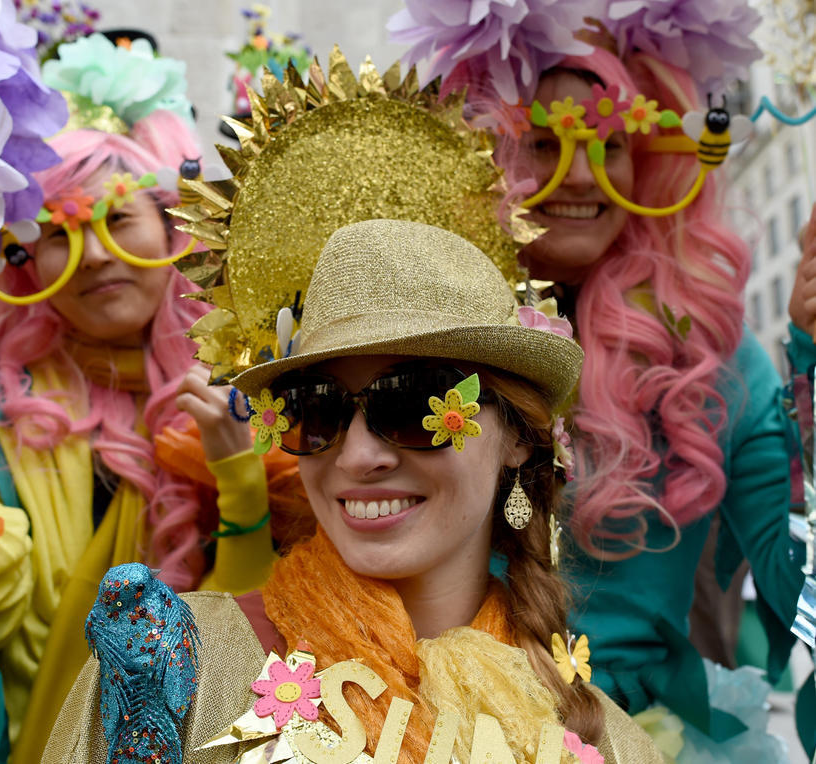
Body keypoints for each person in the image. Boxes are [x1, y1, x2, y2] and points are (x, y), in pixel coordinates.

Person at [44, 218, 664, 764]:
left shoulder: (612, 747)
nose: (359, 455)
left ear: (519, 439)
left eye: (415, 404)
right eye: (318, 411)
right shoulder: (171, 666)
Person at [0, 110, 285, 761]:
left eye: (117, 220)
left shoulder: (258, 386)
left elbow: (251, 640)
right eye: (58, 232)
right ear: (26, 262)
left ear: (173, 229)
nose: (98, 254)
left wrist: (242, 485)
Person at [480, 45, 809, 757]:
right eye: (543, 142)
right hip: (449, 721)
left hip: (649, 737)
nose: (578, 172)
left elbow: (800, 591)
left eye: (610, 144)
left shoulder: (710, 362)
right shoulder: (431, 339)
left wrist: (812, 365)